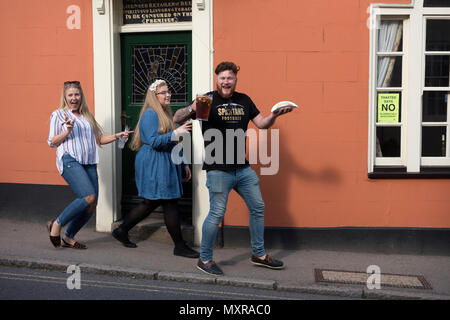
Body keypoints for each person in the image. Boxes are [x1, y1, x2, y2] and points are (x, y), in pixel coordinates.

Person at [173, 61, 293, 275]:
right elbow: (177, 118)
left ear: (235, 80)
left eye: (230, 78)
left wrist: (275, 115)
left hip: (242, 168)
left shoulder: (244, 100)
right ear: (216, 79)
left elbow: (262, 124)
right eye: (222, 78)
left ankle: (259, 254)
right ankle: (205, 259)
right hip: (218, 168)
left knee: (258, 207)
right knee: (217, 213)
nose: (226, 81)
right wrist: (193, 106)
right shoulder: (207, 100)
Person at [111, 79, 199, 259]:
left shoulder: (165, 113)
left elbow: (173, 142)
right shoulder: (150, 114)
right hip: (154, 162)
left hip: (165, 161)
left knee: (152, 202)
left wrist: (184, 163)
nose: (168, 95)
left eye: (169, 92)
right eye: (164, 92)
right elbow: (153, 141)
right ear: (154, 95)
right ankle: (179, 246)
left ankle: (122, 230)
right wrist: (177, 132)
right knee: (168, 202)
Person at [47, 81, 131, 249]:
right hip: (70, 159)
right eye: (70, 95)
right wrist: (67, 131)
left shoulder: (87, 116)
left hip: (89, 162)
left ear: (81, 96)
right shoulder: (58, 115)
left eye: (77, 94)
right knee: (88, 196)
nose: (74, 98)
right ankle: (57, 224)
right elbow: (52, 142)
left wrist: (117, 135)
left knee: (92, 205)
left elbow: (99, 139)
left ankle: (68, 237)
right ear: (65, 97)